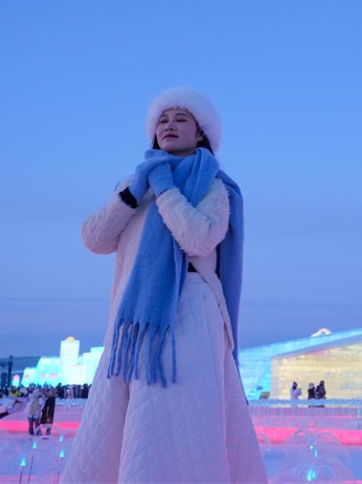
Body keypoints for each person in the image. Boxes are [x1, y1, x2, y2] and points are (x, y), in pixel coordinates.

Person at [61, 88, 266, 483]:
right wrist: (130, 195)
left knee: (183, 418)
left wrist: (167, 188)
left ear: (201, 133)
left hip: (190, 313)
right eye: (162, 120)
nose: (168, 125)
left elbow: (200, 238)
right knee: (125, 427)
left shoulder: (214, 187)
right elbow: (95, 239)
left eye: (180, 119)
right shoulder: (133, 185)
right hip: (134, 321)